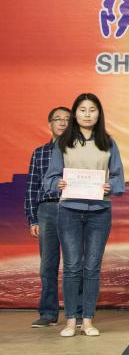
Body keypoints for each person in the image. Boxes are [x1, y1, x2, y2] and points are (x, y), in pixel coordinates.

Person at [43, 93, 126, 337]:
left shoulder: (108, 143)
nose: (87, 114)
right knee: (72, 266)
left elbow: (118, 177)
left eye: (92, 110)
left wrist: (111, 186)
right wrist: (57, 183)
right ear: (75, 113)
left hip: (99, 212)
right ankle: (71, 321)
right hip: (69, 210)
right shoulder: (63, 142)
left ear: (99, 114)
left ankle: (88, 320)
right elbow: (49, 178)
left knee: (92, 267)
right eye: (82, 110)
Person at [24, 106, 71, 327]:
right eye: (57, 119)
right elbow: (32, 186)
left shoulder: (78, 151)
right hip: (47, 210)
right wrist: (32, 218)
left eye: (67, 119)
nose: (62, 122)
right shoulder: (39, 152)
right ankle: (48, 313)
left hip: (73, 208)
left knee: (75, 263)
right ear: (50, 124)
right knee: (48, 265)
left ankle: (77, 313)